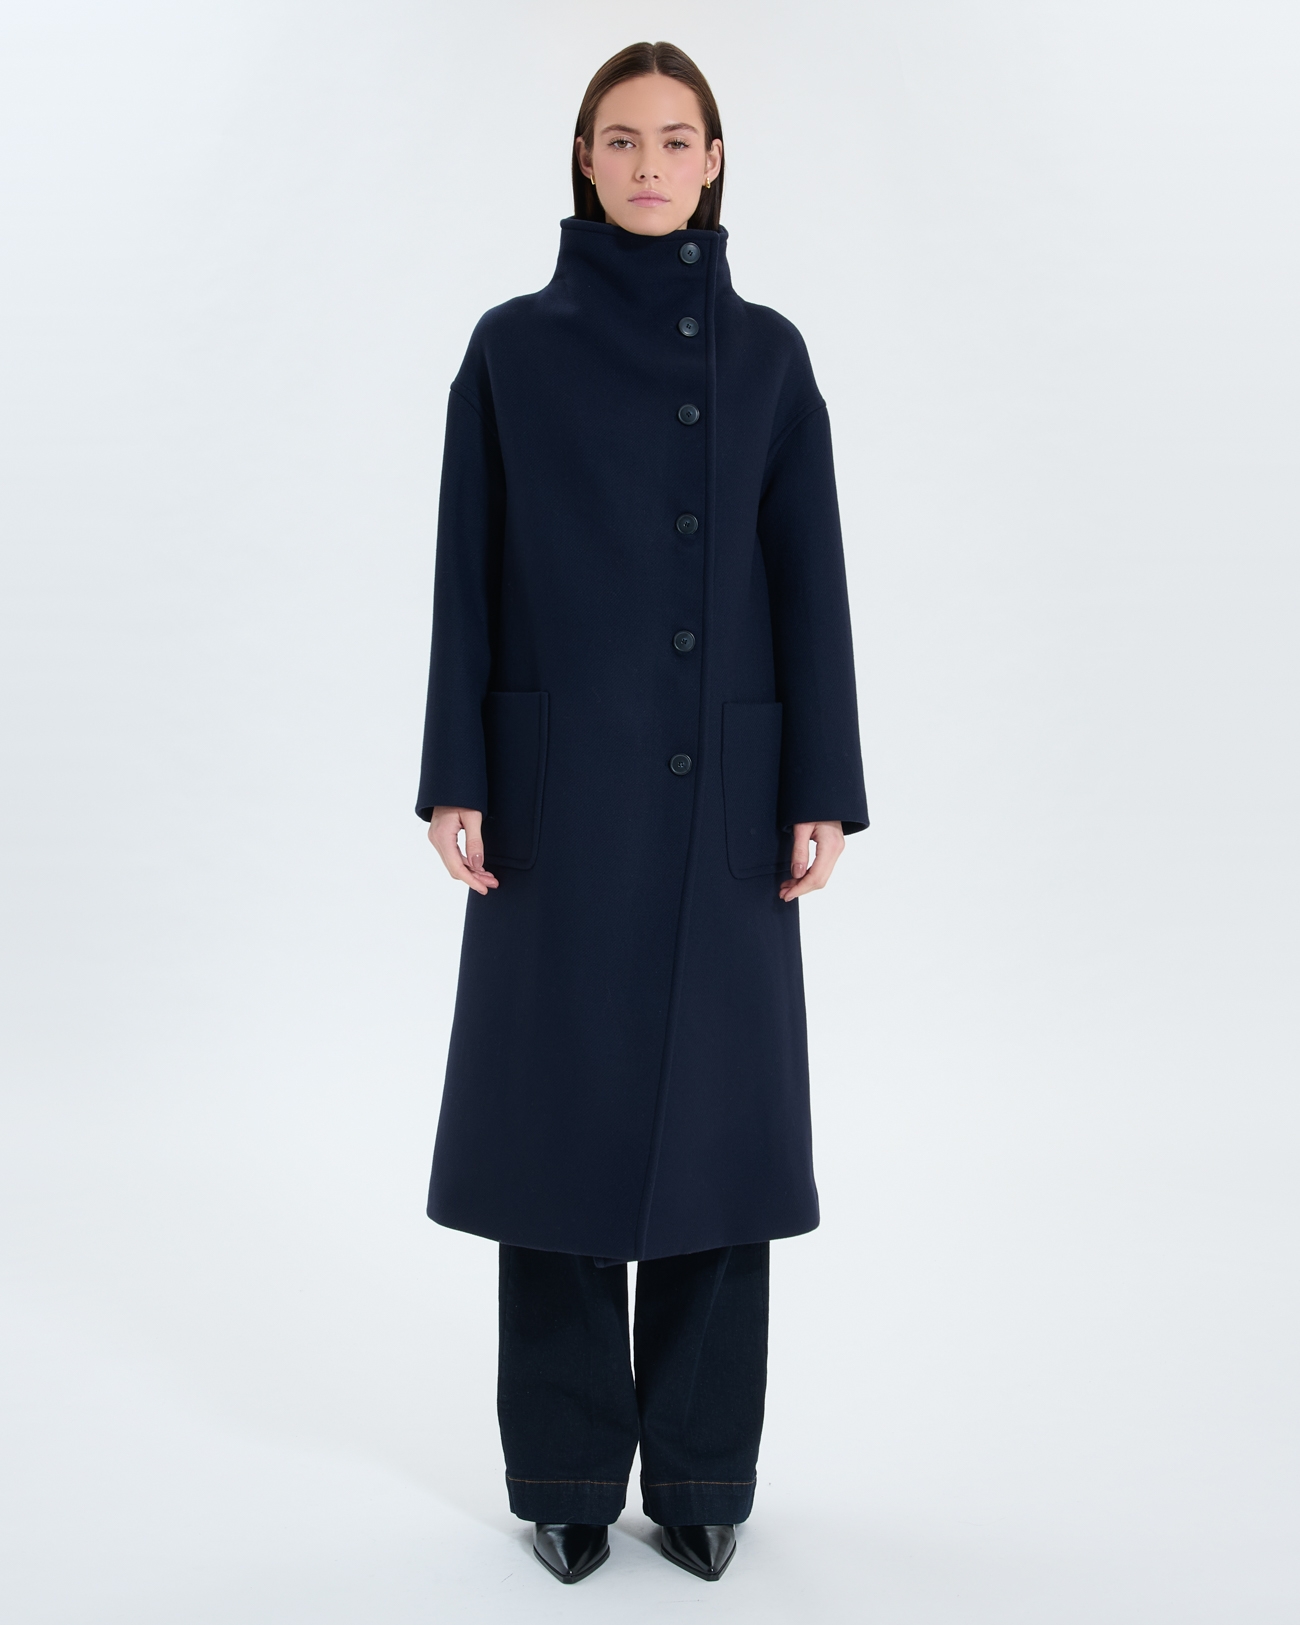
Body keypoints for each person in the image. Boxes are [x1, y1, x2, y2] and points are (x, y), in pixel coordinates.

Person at [415, 40, 868, 1586]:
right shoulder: (510, 350)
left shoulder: (770, 359)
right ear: (584, 160)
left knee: (718, 1143)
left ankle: (702, 1472)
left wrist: (821, 787)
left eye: (678, 139)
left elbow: (810, 585)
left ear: (716, 161)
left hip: (719, 799)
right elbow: (465, 572)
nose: (651, 164)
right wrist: (457, 769)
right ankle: (560, 1471)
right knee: (551, 1133)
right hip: (553, 796)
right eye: (622, 139)